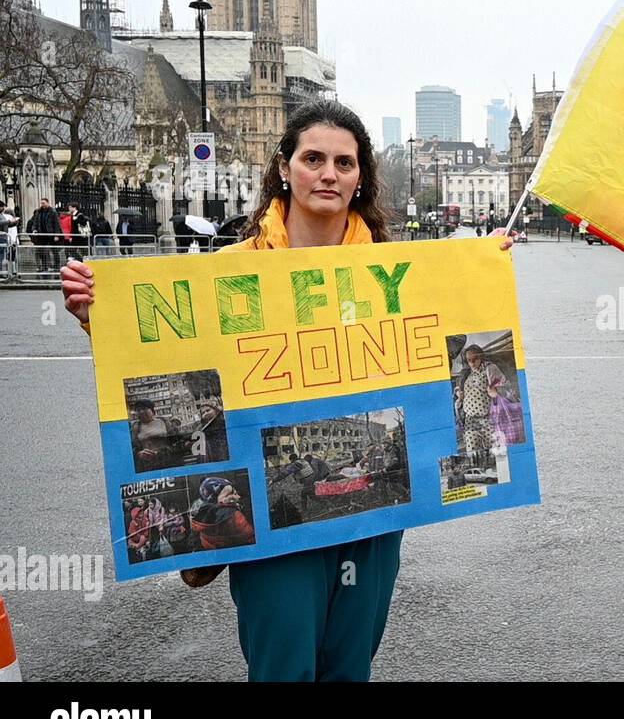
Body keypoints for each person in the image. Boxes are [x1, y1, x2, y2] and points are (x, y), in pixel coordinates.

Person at [62, 99, 512, 682]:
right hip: (274, 530)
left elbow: (440, 348)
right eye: (314, 158)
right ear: (285, 168)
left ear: (360, 178)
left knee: (350, 668)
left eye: (345, 163)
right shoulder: (230, 268)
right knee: (283, 668)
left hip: (371, 524)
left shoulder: (397, 270)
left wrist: (484, 272)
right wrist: (102, 318)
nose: (329, 173)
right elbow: (170, 360)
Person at [27, 198, 59, 272]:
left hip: (51, 233)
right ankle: (45, 266)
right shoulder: (39, 211)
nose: (42, 205)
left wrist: (56, 235)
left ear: (48, 203)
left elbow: (56, 224)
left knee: (54, 251)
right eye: (41, 203)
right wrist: (34, 229)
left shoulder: (53, 211)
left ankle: (56, 266)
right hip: (41, 234)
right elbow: (35, 221)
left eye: (43, 203)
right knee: (42, 251)